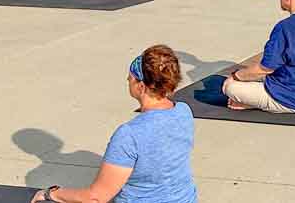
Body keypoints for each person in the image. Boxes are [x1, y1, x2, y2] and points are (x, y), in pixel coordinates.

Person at [32, 45, 196, 203]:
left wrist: (50, 194)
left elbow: (95, 198)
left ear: (141, 86)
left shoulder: (130, 134)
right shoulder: (183, 111)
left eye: (131, 78)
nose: (127, 79)